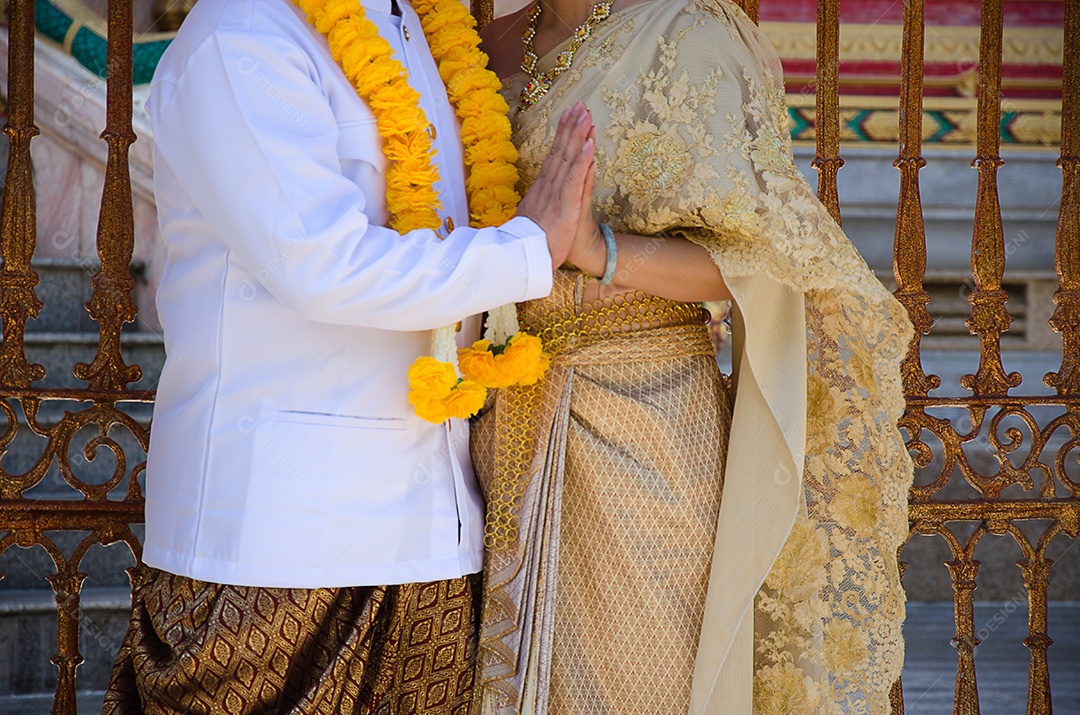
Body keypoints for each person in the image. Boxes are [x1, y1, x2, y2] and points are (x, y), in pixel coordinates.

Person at [101, 0, 599, 712]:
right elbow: (320, 264)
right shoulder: (242, 33)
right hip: (280, 543)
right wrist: (525, 249)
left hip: (434, 535)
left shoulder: (422, 28)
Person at [470, 0, 916, 713]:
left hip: (646, 426)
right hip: (505, 417)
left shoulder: (691, 34)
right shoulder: (485, 45)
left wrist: (599, 252)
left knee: (647, 681)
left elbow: (762, 264)